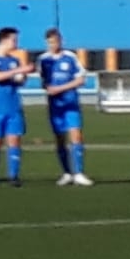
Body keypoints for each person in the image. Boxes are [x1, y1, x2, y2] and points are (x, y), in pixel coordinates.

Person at [38, 28, 93, 187]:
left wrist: (60, 88)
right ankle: (67, 173)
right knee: (59, 138)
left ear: (61, 41)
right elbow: (44, 81)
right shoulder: (43, 59)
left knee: (76, 136)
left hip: (71, 103)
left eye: (55, 41)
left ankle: (79, 173)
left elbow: (80, 80)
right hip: (55, 105)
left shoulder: (70, 57)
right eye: (50, 42)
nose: (53, 45)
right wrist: (48, 87)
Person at [0, 27, 33, 187]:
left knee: (14, 141)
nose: (16, 43)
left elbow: (19, 80)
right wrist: (20, 70)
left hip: (13, 107)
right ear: (3, 40)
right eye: (13, 40)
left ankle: (13, 176)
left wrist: (24, 75)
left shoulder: (14, 60)